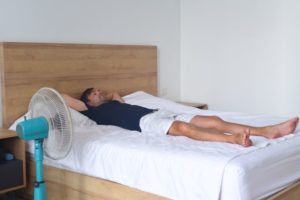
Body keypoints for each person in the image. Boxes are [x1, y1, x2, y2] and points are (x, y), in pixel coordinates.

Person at [63, 88, 299, 147]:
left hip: (156, 113)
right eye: (93, 93)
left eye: (98, 89)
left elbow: (121, 102)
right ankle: (234, 140)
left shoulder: (114, 102)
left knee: (214, 120)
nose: (98, 92)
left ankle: (267, 130)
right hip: (145, 124)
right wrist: (85, 101)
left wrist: (114, 95)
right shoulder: (90, 111)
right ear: (88, 102)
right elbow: (60, 97)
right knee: (182, 128)